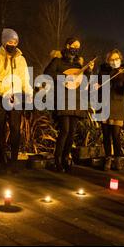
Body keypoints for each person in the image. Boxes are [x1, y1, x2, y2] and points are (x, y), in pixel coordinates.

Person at [44, 37, 95, 172]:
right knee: (65, 130)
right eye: (74, 45)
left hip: (77, 100)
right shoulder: (58, 61)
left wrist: (89, 71)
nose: (76, 48)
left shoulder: (79, 65)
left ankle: (66, 159)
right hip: (63, 99)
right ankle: (57, 160)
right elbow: (47, 74)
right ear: (67, 46)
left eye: (78, 46)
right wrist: (65, 77)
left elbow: (84, 82)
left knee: (72, 132)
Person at [0, 29, 33, 174]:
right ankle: (1, 159)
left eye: (15, 42)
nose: (12, 44)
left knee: (15, 128)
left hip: (17, 96)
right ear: (4, 42)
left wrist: (29, 92)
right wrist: (4, 92)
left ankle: (14, 160)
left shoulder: (21, 59)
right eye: (10, 41)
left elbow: (25, 78)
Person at [97, 49, 124, 171]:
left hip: (117, 106)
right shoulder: (103, 72)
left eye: (117, 59)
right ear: (108, 61)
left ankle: (118, 158)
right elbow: (99, 86)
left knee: (116, 135)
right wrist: (97, 86)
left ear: (120, 59)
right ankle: (108, 158)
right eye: (112, 59)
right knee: (106, 135)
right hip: (104, 105)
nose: (115, 61)